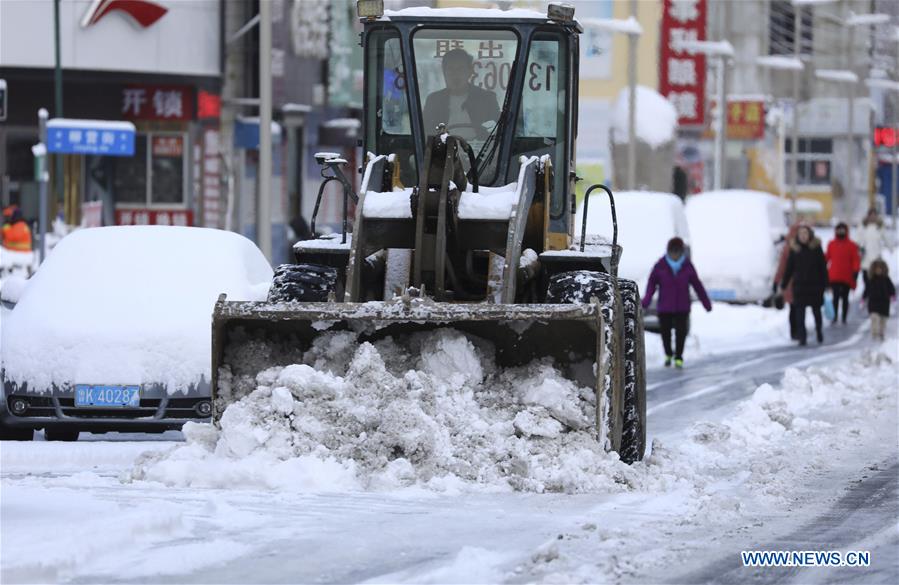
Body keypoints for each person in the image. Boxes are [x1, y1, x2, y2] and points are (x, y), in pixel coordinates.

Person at [642, 237, 712, 368]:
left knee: (681, 333)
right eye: (672, 251)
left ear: (681, 252)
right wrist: (646, 301)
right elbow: (651, 285)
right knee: (666, 333)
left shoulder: (687, 266)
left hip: (682, 307)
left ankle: (679, 356)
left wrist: (706, 303)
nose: (674, 254)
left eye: (677, 251)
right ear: (668, 251)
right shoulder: (660, 265)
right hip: (665, 307)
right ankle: (668, 354)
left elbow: (697, 285)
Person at [423, 49, 500, 140]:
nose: (455, 74)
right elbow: (426, 131)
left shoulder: (486, 99)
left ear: (470, 72)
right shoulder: (434, 100)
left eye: (460, 69)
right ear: (444, 72)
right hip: (443, 150)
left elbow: (497, 130)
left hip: (479, 150)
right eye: (450, 69)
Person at [781, 225, 827, 345]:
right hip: (800, 287)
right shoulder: (794, 249)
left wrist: (825, 284)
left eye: (805, 233)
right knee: (799, 313)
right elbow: (789, 269)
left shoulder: (816, 248)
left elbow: (823, 267)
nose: (803, 236)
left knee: (816, 311)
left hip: (815, 286)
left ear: (809, 235)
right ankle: (802, 336)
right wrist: (784, 284)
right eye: (801, 234)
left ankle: (819, 331)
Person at [825, 222, 860, 324]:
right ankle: (834, 316)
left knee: (845, 297)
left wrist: (855, 272)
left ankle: (844, 316)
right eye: (839, 230)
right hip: (834, 275)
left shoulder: (852, 245)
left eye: (842, 230)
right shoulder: (831, 244)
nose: (841, 231)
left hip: (847, 276)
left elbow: (855, 260)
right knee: (835, 297)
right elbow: (827, 257)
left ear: (846, 231)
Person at [773, 223, 801, 340]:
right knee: (797, 307)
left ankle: (796, 331)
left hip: (794, 282)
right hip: (793, 282)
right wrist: (777, 281)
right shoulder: (789, 247)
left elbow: (781, 267)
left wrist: (776, 281)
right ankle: (797, 331)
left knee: (795, 308)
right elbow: (782, 266)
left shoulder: (788, 246)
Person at [863, 259, 895, 341]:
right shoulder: (871, 280)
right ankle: (875, 334)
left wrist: (892, 294)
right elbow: (867, 289)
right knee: (874, 318)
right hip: (873, 303)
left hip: (884, 303)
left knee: (883, 320)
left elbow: (891, 287)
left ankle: (881, 333)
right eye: (876, 268)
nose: (878, 270)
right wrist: (864, 297)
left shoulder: (886, 279)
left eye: (880, 268)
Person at [858, 208, 887, 292]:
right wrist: (858, 248)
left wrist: (891, 247)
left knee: (876, 280)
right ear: (868, 216)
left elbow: (886, 237)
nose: (873, 217)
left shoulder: (880, 226)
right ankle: (866, 297)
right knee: (866, 279)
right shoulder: (863, 226)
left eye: (874, 215)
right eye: (871, 215)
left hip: (876, 258)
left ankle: (874, 297)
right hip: (865, 257)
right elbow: (857, 239)